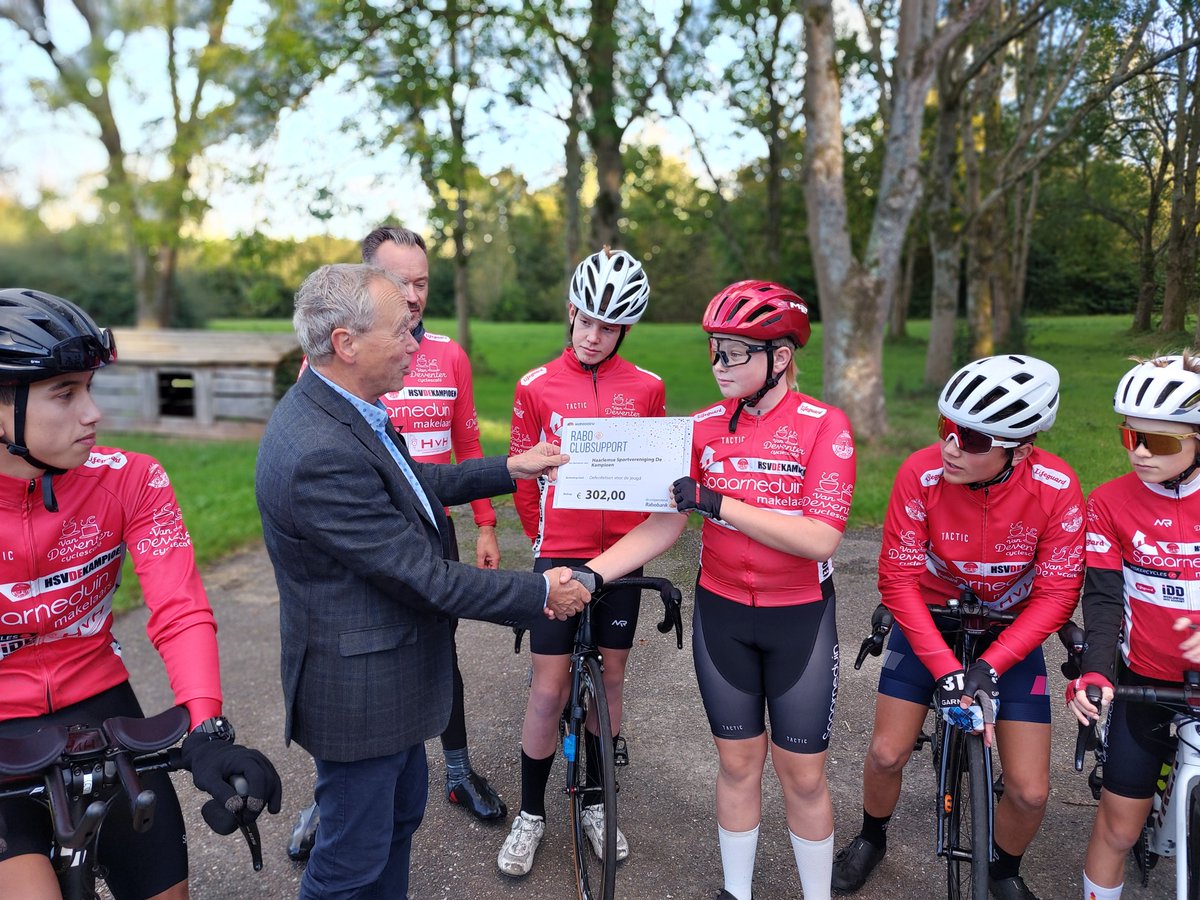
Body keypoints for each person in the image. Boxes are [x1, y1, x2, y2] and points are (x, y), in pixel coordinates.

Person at [255, 263, 590, 900]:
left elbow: (413, 491)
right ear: (345, 344)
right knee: (347, 866)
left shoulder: (348, 410)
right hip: (359, 695)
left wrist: (512, 467)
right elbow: (422, 577)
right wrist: (541, 593)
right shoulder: (318, 450)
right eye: (401, 331)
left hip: (392, 678)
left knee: (398, 823)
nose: (416, 343)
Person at [0, 288, 281, 900]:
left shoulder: (132, 478)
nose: (92, 413)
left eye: (90, 389)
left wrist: (208, 730)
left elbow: (178, 609)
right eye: (65, 393)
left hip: (97, 704)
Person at [580, 280, 853, 900]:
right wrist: (595, 572)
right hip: (722, 612)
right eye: (714, 351)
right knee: (735, 764)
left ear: (779, 358)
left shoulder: (824, 426)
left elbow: (819, 538)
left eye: (733, 353)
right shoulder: (702, 427)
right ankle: (738, 892)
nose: (718, 366)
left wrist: (719, 502)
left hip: (799, 618)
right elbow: (664, 521)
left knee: (802, 775)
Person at [285, 228, 506, 860]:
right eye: (399, 284)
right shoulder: (339, 375)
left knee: (436, 648)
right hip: (367, 541)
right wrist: (541, 592)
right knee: (364, 670)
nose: (413, 299)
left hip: (432, 524)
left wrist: (489, 513)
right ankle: (336, 795)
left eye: (421, 284)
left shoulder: (442, 356)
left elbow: (458, 443)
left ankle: (456, 771)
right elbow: (327, 455)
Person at [831, 355, 1084, 900]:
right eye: (947, 430)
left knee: (1030, 791)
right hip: (929, 620)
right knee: (886, 753)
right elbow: (897, 581)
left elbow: (1060, 594)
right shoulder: (918, 475)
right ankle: (872, 835)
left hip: (1009, 633)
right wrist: (948, 672)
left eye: (971, 440)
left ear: (1020, 448)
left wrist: (992, 666)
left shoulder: (1057, 486)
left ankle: (1002, 869)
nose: (950, 448)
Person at [497, 246, 665, 877]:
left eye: (610, 327)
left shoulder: (648, 388)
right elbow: (519, 477)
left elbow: (652, 474)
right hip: (559, 551)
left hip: (619, 556)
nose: (594, 337)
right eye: (587, 321)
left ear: (626, 328)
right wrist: (543, 546)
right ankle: (532, 812)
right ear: (571, 311)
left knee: (611, 680)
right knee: (548, 687)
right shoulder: (535, 387)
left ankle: (596, 799)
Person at [1066, 353, 1200, 900]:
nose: (1141, 452)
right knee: (1119, 827)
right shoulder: (1109, 502)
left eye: (1161, 442)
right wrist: (1096, 671)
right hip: (1145, 679)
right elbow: (1101, 599)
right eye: (1131, 436)